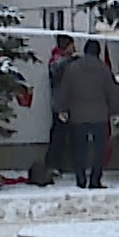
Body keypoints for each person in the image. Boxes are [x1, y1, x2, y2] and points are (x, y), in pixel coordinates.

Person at [54, 39, 119, 190]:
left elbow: (64, 89)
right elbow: (111, 92)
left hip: (78, 114)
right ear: (98, 52)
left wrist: (61, 109)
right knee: (99, 149)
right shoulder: (103, 69)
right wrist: (115, 111)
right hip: (100, 115)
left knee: (80, 148)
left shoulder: (73, 68)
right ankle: (95, 180)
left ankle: (81, 179)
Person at [44, 34, 77, 175]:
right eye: (72, 45)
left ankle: (62, 164)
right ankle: (53, 164)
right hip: (61, 105)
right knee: (59, 135)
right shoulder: (58, 62)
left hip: (67, 104)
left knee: (67, 135)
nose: (74, 48)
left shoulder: (61, 61)